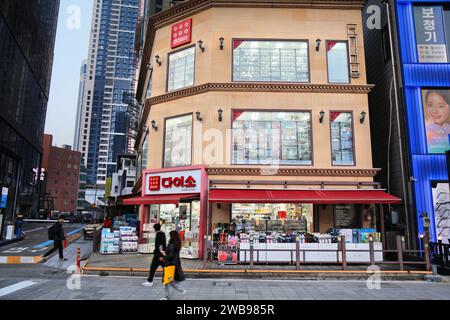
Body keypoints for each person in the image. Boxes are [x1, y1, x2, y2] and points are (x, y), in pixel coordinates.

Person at [160, 230, 187, 300]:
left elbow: (170, 255)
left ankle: (167, 297)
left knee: (167, 281)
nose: (169, 236)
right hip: (174, 263)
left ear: (172, 236)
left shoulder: (171, 244)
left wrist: (164, 254)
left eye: (169, 235)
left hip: (169, 264)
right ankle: (181, 290)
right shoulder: (177, 243)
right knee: (170, 281)